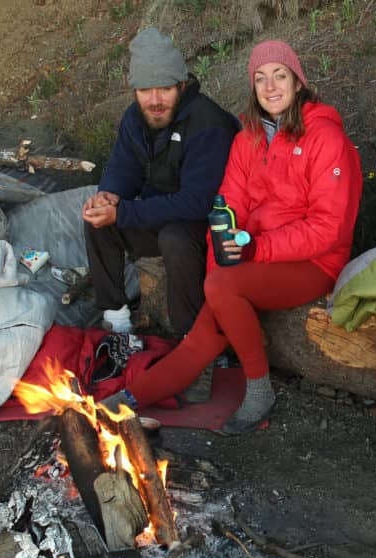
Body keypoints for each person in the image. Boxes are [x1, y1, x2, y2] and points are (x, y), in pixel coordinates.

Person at [103, 40, 362, 433]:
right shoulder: (248, 139)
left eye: (279, 76)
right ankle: (127, 400)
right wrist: (218, 265)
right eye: (260, 79)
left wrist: (252, 252)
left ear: (298, 82)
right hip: (252, 256)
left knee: (224, 288)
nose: (270, 87)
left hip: (313, 261)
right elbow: (226, 208)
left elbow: (329, 229)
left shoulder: (325, 139)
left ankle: (259, 391)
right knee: (200, 338)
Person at [82, 27, 239, 343]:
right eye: (144, 90)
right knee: (98, 220)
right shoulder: (135, 118)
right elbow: (123, 166)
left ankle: (191, 336)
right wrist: (110, 195)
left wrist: (125, 212)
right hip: (160, 214)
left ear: (182, 85)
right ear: (134, 91)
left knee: (174, 237)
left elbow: (197, 201)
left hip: (213, 226)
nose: (154, 101)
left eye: (164, 89)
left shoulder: (208, 123)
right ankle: (117, 320)